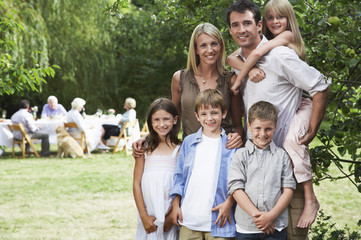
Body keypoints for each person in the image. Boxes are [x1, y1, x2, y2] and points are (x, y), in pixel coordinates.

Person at [226, 0, 331, 238]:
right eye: (235, 25)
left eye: (247, 23)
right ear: (230, 30)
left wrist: (312, 128)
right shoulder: (237, 64)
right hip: (253, 178)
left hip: (288, 177)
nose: (241, 30)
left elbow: (321, 86)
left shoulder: (280, 56)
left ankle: (310, 198)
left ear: (259, 24)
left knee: (293, 235)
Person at [132, 23, 244, 158]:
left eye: (214, 44)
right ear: (196, 49)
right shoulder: (180, 78)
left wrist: (237, 136)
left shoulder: (230, 80)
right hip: (191, 152)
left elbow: (237, 125)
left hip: (222, 152)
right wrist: (148, 137)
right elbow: (172, 119)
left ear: (220, 46)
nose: (210, 50)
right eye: (203, 45)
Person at [170, 89, 237, 239]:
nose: (209, 118)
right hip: (189, 219)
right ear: (197, 116)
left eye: (214, 112)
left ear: (223, 113)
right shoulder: (189, 142)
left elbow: (239, 181)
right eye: (204, 114)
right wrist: (176, 206)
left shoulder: (231, 145)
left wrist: (229, 203)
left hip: (219, 220)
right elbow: (179, 176)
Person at [228, 101, 296, 240]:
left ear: (275, 127)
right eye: (257, 128)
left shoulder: (282, 156)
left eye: (268, 129)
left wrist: (270, 216)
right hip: (246, 227)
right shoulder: (240, 155)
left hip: (275, 227)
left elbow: (288, 189)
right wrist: (259, 217)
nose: (262, 134)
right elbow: (236, 188)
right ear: (249, 126)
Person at [133, 98, 181, 240]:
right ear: (150, 122)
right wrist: (143, 216)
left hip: (169, 216)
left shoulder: (180, 149)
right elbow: (136, 183)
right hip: (148, 215)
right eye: (156, 120)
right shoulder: (144, 149)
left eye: (166, 119)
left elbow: (182, 183)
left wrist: (172, 215)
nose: (161, 124)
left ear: (175, 120)